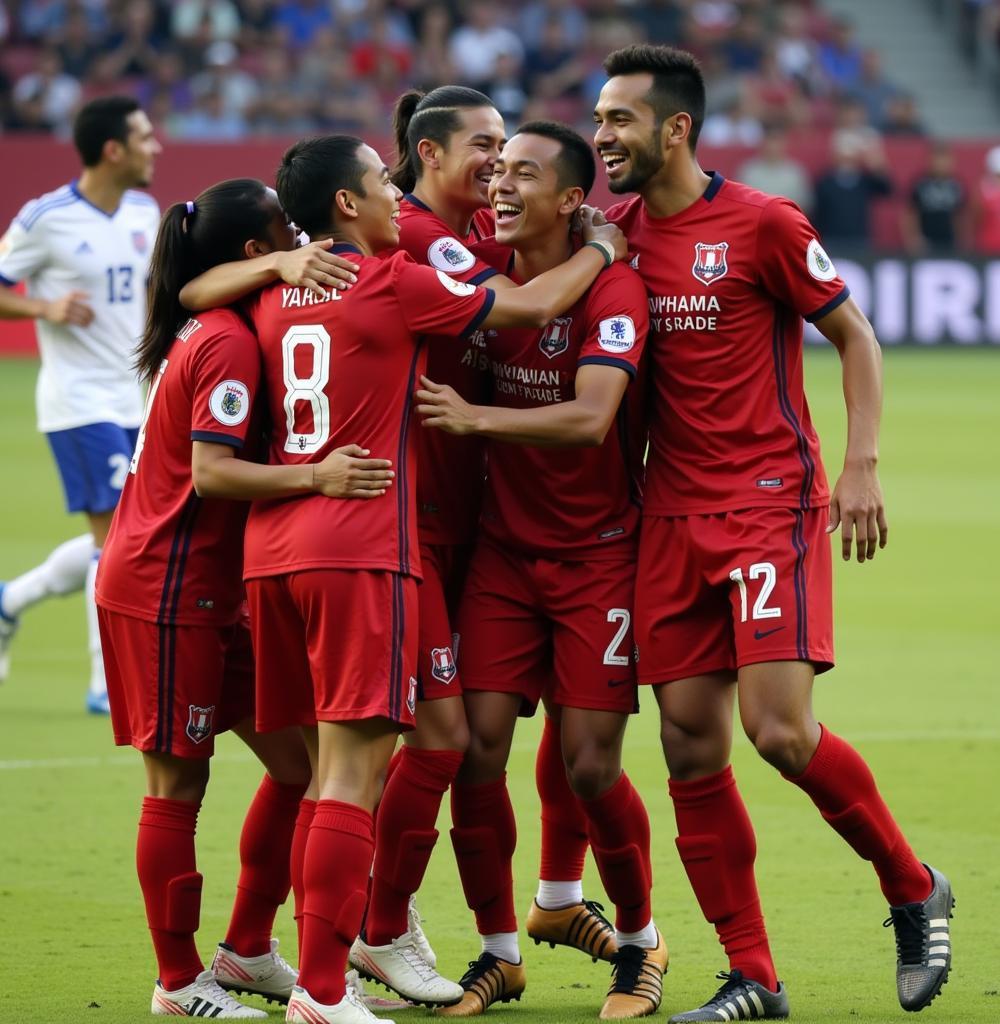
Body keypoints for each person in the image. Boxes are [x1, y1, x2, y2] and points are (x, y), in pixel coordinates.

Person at [192, 133, 626, 1024]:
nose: (396, 196)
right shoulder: (388, 280)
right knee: (351, 777)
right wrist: (601, 249)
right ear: (347, 206)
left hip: (275, 553)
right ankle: (321, 989)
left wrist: (278, 258)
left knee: (326, 774)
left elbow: (195, 293)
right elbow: (528, 303)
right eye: (378, 184)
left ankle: (278, 956)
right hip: (359, 545)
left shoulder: (278, 285)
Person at [593, 44, 953, 1020]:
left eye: (618, 118)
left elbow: (855, 336)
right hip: (666, 514)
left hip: (764, 504)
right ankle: (753, 974)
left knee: (780, 732)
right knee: (688, 747)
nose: (601, 135)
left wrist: (860, 461)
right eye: (596, 117)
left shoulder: (762, 223)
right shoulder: (612, 234)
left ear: (674, 127)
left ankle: (912, 883)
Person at [347, 86, 620, 1007]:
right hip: (412, 523)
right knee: (437, 741)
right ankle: (375, 926)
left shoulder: (459, 234)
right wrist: (602, 250)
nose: (497, 167)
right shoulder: (429, 241)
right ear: (428, 155)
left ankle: (532, 908)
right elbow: (520, 303)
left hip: (478, 526)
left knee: (501, 734)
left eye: (511, 153)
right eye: (485, 148)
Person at [95, 178, 395, 1018]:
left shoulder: (221, 312)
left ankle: (248, 950)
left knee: (298, 768)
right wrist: (318, 475)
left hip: (216, 588)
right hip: (164, 583)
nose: (305, 237)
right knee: (176, 786)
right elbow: (214, 474)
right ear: (258, 254)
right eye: (286, 231)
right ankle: (177, 981)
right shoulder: (225, 340)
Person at [414, 121, 666, 1021]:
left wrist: (473, 420)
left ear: (571, 199)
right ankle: (499, 954)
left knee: (591, 767)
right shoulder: (479, 269)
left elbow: (593, 418)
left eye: (525, 173)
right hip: (502, 560)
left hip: (599, 560)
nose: (502, 185)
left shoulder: (619, 291)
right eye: (498, 170)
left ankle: (640, 944)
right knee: (475, 753)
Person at [0, 96, 161, 711]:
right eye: (146, 137)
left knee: (127, 532)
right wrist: (44, 307)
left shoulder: (145, 211)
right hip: (79, 400)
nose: (157, 147)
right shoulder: (47, 219)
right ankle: (106, 684)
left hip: (137, 399)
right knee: (120, 532)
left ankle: (11, 601)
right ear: (114, 150)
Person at [903, 143, 965, 254]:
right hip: (926, 242)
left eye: (944, 160)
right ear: (930, 161)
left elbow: (960, 216)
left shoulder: (956, 186)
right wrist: (914, 238)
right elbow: (910, 214)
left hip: (949, 242)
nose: (941, 164)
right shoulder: (921, 184)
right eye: (937, 160)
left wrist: (961, 240)